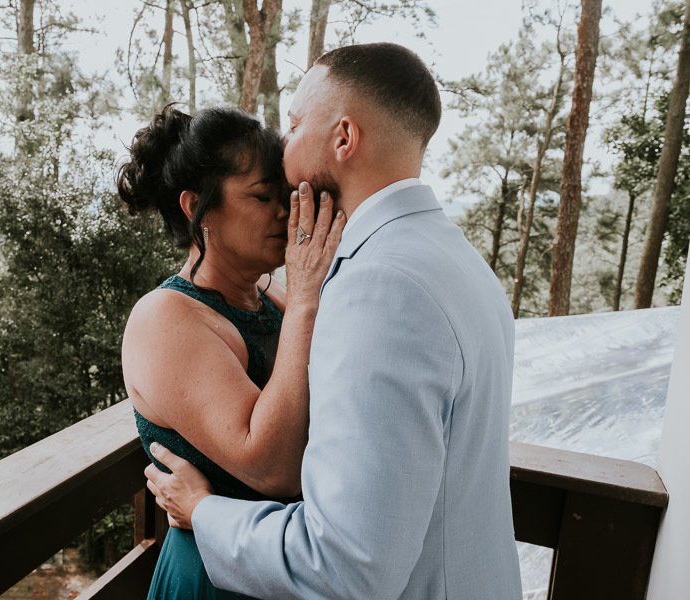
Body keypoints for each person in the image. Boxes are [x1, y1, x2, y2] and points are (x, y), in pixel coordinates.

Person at [145, 43, 524, 599]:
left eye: (295, 125)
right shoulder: (455, 259)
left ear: (343, 137)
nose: (285, 146)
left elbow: (347, 565)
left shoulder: (379, 286)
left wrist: (203, 511)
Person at [117, 104, 345, 599]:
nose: (284, 212)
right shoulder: (166, 318)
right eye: (263, 196)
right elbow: (274, 468)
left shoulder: (273, 296)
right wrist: (307, 297)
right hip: (215, 576)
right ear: (195, 207)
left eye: (284, 195)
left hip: (282, 562)